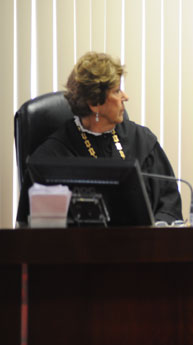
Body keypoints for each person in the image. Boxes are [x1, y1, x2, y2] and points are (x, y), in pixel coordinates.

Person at [17, 52, 182, 224]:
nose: (125, 97)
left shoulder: (143, 142)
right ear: (94, 103)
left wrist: (152, 232)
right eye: (116, 91)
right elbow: (33, 225)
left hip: (142, 241)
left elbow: (169, 205)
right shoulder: (52, 156)